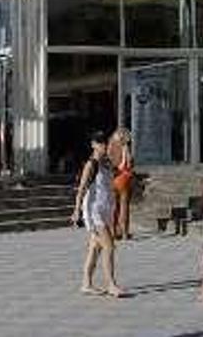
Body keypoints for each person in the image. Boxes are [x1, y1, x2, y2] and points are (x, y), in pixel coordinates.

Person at [70, 131, 125, 298]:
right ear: (93, 144)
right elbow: (81, 189)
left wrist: (122, 145)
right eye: (100, 143)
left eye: (105, 143)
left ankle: (86, 284)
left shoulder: (106, 163)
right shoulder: (91, 164)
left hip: (105, 209)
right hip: (93, 212)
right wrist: (76, 211)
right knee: (109, 246)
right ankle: (111, 285)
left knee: (95, 249)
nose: (104, 146)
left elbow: (120, 166)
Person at [108, 128, 134, 240]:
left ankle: (113, 232)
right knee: (124, 207)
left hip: (114, 178)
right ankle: (124, 233)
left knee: (114, 207)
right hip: (124, 177)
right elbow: (129, 162)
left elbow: (109, 161)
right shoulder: (125, 146)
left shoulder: (111, 145)